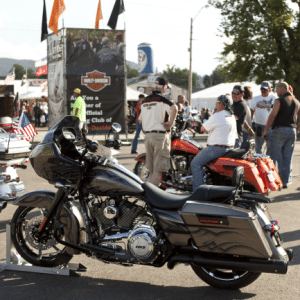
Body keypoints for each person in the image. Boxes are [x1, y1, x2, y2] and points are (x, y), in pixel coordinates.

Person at [191, 95, 237, 192]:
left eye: (217, 102)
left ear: (221, 104)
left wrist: (194, 125)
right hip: (229, 148)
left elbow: (203, 129)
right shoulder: (232, 116)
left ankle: (198, 192)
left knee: (195, 164)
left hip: (216, 149)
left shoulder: (217, 115)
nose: (215, 104)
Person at [139, 77, 178, 186]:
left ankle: (150, 194)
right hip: (159, 136)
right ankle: (149, 196)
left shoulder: (145, 100)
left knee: (152, 170)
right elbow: (175, 108)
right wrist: (170, 123)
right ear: (164, 87)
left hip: (148, 136)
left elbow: (140, 120)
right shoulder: (163, 99)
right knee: (158, 170)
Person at [262, 82, 300, 189]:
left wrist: (265, 130)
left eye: (277, 89)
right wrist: (298, 128)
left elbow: (272, 115)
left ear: (282, 88)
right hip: (292, 131)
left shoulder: (279, 100)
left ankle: (272, 180)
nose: (276, 91)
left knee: (274, 155)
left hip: (279, 130)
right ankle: (285, 181)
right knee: (287, 157)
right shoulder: (296, 101)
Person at [250, 81, 277, 153]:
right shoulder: (255, 99)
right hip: (258, 125)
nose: (263, 91)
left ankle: (268, 162)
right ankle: (260, 162)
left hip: (270, 126)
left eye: (265, 89)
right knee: (258, 148)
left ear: (269, 89)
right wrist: (251, 121)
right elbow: (251, 110)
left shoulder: (274, 99)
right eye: (262, 89)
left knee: (270, 147)